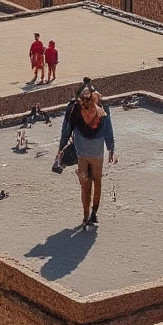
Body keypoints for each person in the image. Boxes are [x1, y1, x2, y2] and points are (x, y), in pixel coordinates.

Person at [54, 80, 116, 225]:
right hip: (86, 154)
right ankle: (88, 214)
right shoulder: (77, 109)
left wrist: (111, 149)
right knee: (88, 184)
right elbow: (67, 130)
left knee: (92, 183)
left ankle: (90, 214)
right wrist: (111, 149)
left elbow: (108, 129)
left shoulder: (95, 109)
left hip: (91, 154)